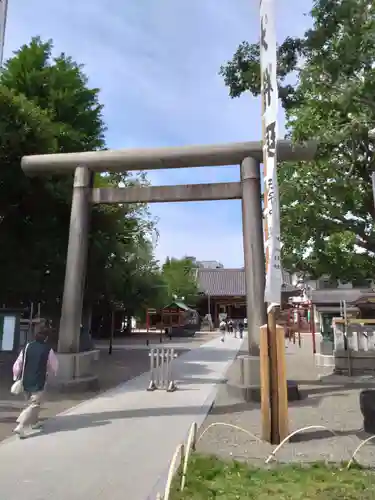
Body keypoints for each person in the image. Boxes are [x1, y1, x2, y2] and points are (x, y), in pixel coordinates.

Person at [12, 328, 58, 439]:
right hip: (39, 380)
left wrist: (16, 375)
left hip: (26, 379)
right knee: (35, 404)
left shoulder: (28, 346)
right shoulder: (48, 349)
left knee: (29, 402)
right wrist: (54, 373)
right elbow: (54, 364)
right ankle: (21, 426)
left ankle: (34, 422)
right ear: (46, 338)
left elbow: (18, 362)